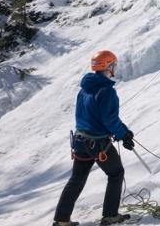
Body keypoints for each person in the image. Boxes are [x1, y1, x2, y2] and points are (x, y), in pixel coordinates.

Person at [53, 50, 134, 226]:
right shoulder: (107, 91)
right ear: (109, 67)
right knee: (116, 173)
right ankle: (110, 215)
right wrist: (124, 134)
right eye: (114, 65)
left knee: (77, 179)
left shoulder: (84, 89)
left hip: (80, 141)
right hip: (98, 143)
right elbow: (110, 119)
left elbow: (83, 116)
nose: (115, 68)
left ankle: (61, 220)